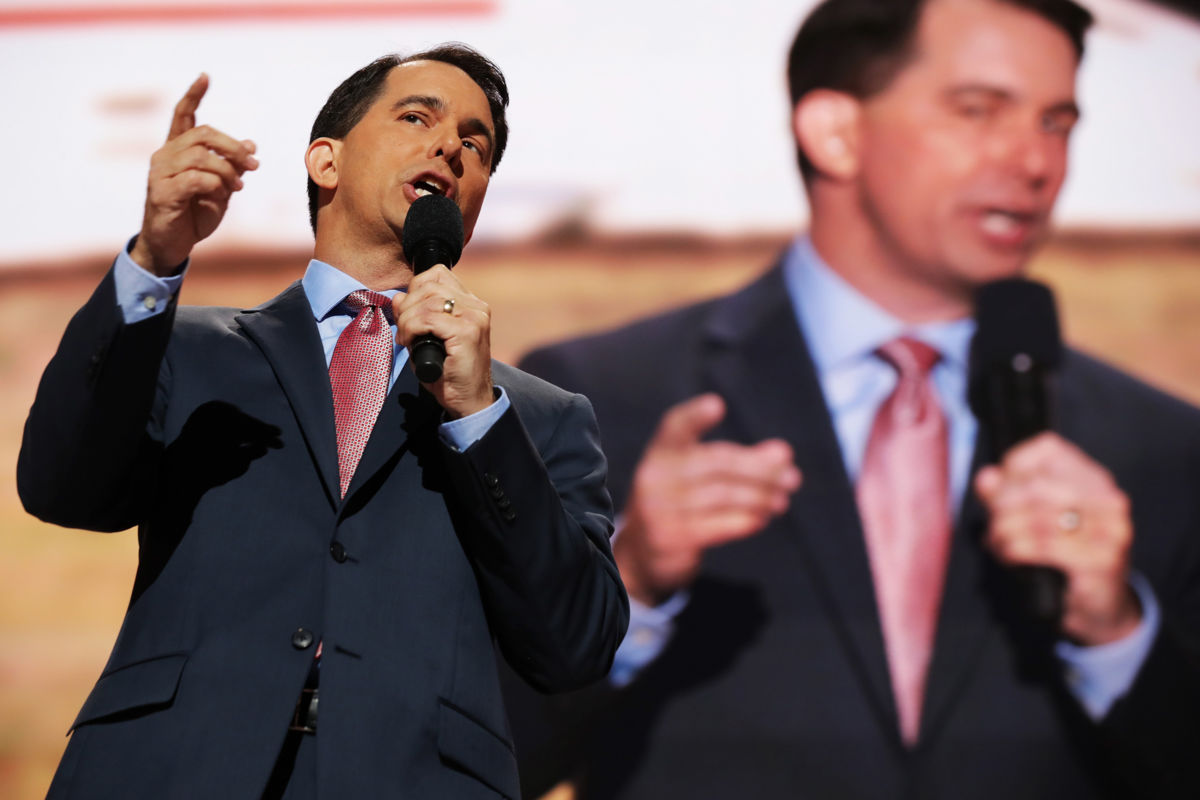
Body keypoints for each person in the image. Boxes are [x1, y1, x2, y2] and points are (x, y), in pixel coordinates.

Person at [500, 1, 1200, 798]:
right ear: (835, 132)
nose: (1034, 161)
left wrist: (1116, 638)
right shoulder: (598, 400)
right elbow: (471, 757)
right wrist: (624, 590)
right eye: (979, 111)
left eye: (1057, 122)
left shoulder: (1164, 447)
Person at [18, 44, 628, 799]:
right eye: (417, 117)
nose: (450, 147)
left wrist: (475, 417)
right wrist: (155, 258)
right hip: (168, 768)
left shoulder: (537, 419)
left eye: (476, 145)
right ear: (325, 162)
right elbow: (62, 486)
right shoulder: (185, 349)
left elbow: (576, 644)